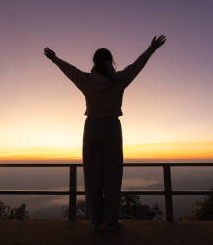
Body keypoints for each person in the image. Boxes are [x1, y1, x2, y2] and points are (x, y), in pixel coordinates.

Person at [44, 35, 166, 231]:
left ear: (94, 62)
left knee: (92, 173)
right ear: (110, 61)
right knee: (113, 173)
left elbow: (70, 71)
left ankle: (95, 219)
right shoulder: (119, 80)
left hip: (91, 127)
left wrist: (54, 59)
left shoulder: (87, 80)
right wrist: (151, 48)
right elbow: (137, 66)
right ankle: (111, 219)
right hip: (111, 127)